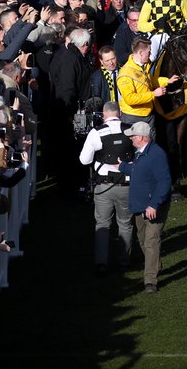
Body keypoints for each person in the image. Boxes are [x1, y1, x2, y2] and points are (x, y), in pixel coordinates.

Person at [78, 101, 134, 275]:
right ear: (120, 113)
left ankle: (101, 263)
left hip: (104, 186)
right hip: (126, 184)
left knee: (102, 224)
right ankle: (124, 261)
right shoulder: (131, 129)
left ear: (104, 114)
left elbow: (84, 160)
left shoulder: (96, 132)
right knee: (125, 224)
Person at [116, 121, 171, 293]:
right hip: (140, 207)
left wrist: (153, 205)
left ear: (141, 137)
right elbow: (136, 170)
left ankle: (150, 281)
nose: (131, 138)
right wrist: (122, 166)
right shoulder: (140, 153)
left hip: (153, 208)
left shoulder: (157, 155)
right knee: (142, 239)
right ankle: (155, 265)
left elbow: (165, 182)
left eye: (133, 136)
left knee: (151, 241)